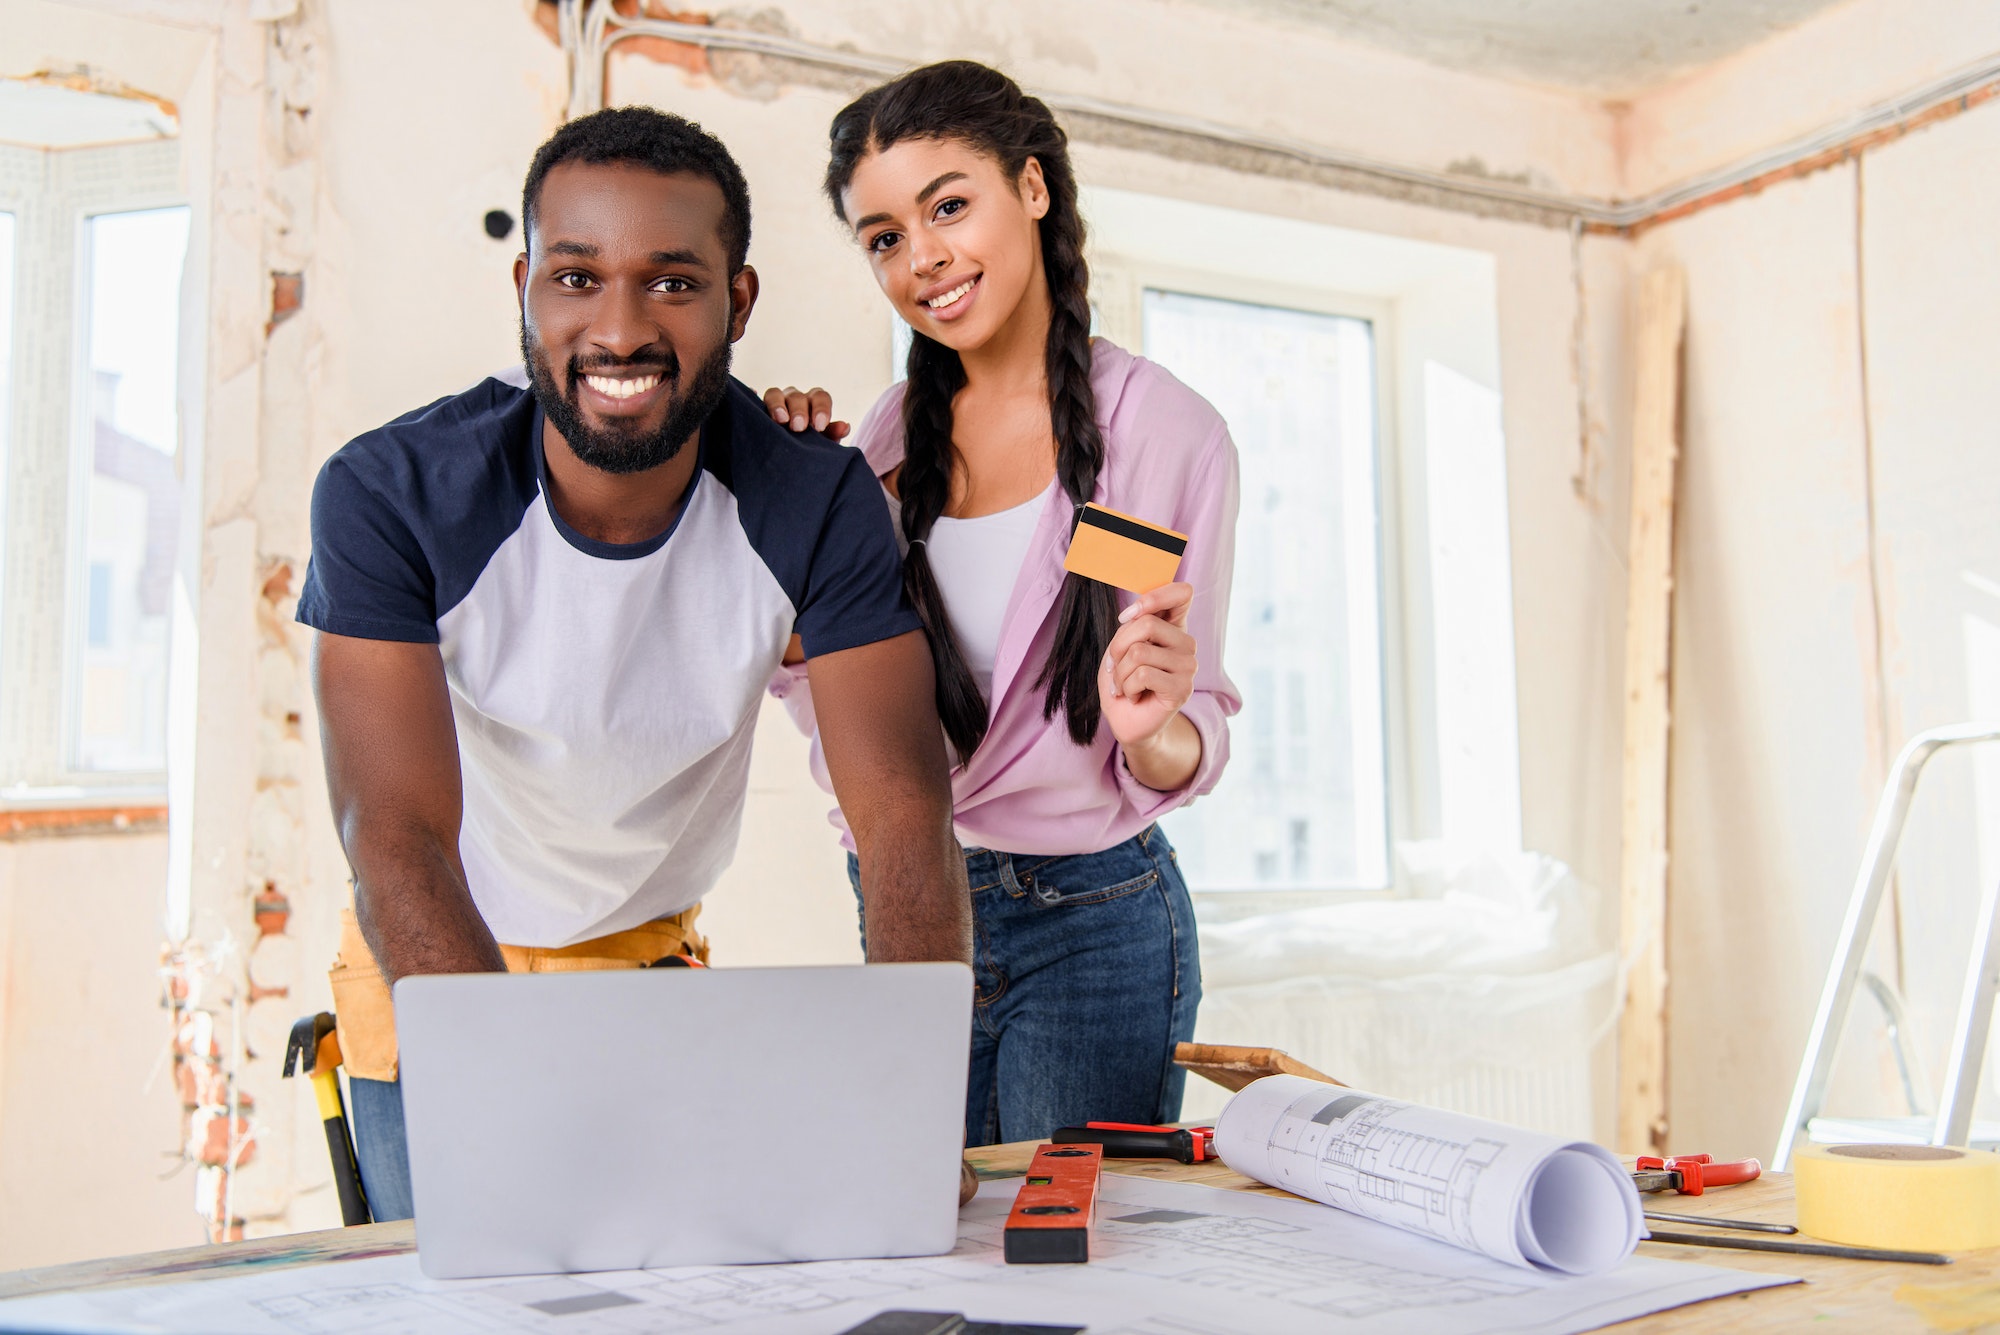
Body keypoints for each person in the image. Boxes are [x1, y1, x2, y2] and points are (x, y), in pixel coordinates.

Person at [297, 106, 973, 1222]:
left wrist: (908, 1088)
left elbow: (902, 814)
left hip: (646, 971)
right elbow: (396, 837)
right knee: (477, 1292)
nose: (619, 329)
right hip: (437, 966)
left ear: (736, 300)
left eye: (670, 281)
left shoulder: (811, 498)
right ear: (523, 287)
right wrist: (505, 1095)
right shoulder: (390, 494)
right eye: (575, 278)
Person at [767, 60, 1242, 1148]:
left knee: (1055, 1276)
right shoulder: (880, 441)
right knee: (929, 1244)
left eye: (948, 205)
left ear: (1030, 188)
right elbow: (823, 688)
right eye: (883, 236)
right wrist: (781, 488)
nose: (921, 256)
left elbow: (1189, 730)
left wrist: (1151, 727)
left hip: (1093, 922)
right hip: (903, 892)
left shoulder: (1165, 432)